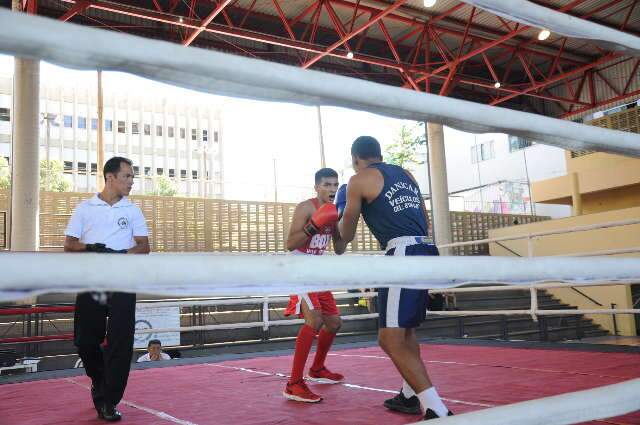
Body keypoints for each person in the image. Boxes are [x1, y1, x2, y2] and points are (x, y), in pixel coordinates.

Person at [338, 136, 453, 420]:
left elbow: (344, 240)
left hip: (402, 252)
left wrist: (331, 220)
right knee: (406, 330)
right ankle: (409, 395)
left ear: (355, 159)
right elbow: (424, 219)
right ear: (380, 154)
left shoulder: (358, 180)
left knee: (389, 338)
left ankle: (437, 410)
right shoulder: (405, 174)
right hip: (426, 248)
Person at [64, 156, 150, 422]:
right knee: (86, 341)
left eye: (133, 177)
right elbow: (69, 244)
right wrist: (91, 248)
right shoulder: (85, 208)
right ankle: (99, 380)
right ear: (110, 177)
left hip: (123, 279)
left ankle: (108, 401)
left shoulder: (133, 210)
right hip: (91, 278)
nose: (131, 182)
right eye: (127, 176)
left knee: (121, 340)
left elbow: (144, 246)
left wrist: (121, 254)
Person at [282, 168, 348, 403]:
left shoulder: (336, 210)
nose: (332, 189)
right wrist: (314, 224)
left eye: (335, 185)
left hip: (317, 270)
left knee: (334, 322)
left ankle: (317, 369)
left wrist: (346, 223)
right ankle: (293, 384)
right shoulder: (306, 207)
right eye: (327, 185)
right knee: (315, 320)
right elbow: (290, 244)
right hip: (299, 268)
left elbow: (339, 249)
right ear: (317, 187)